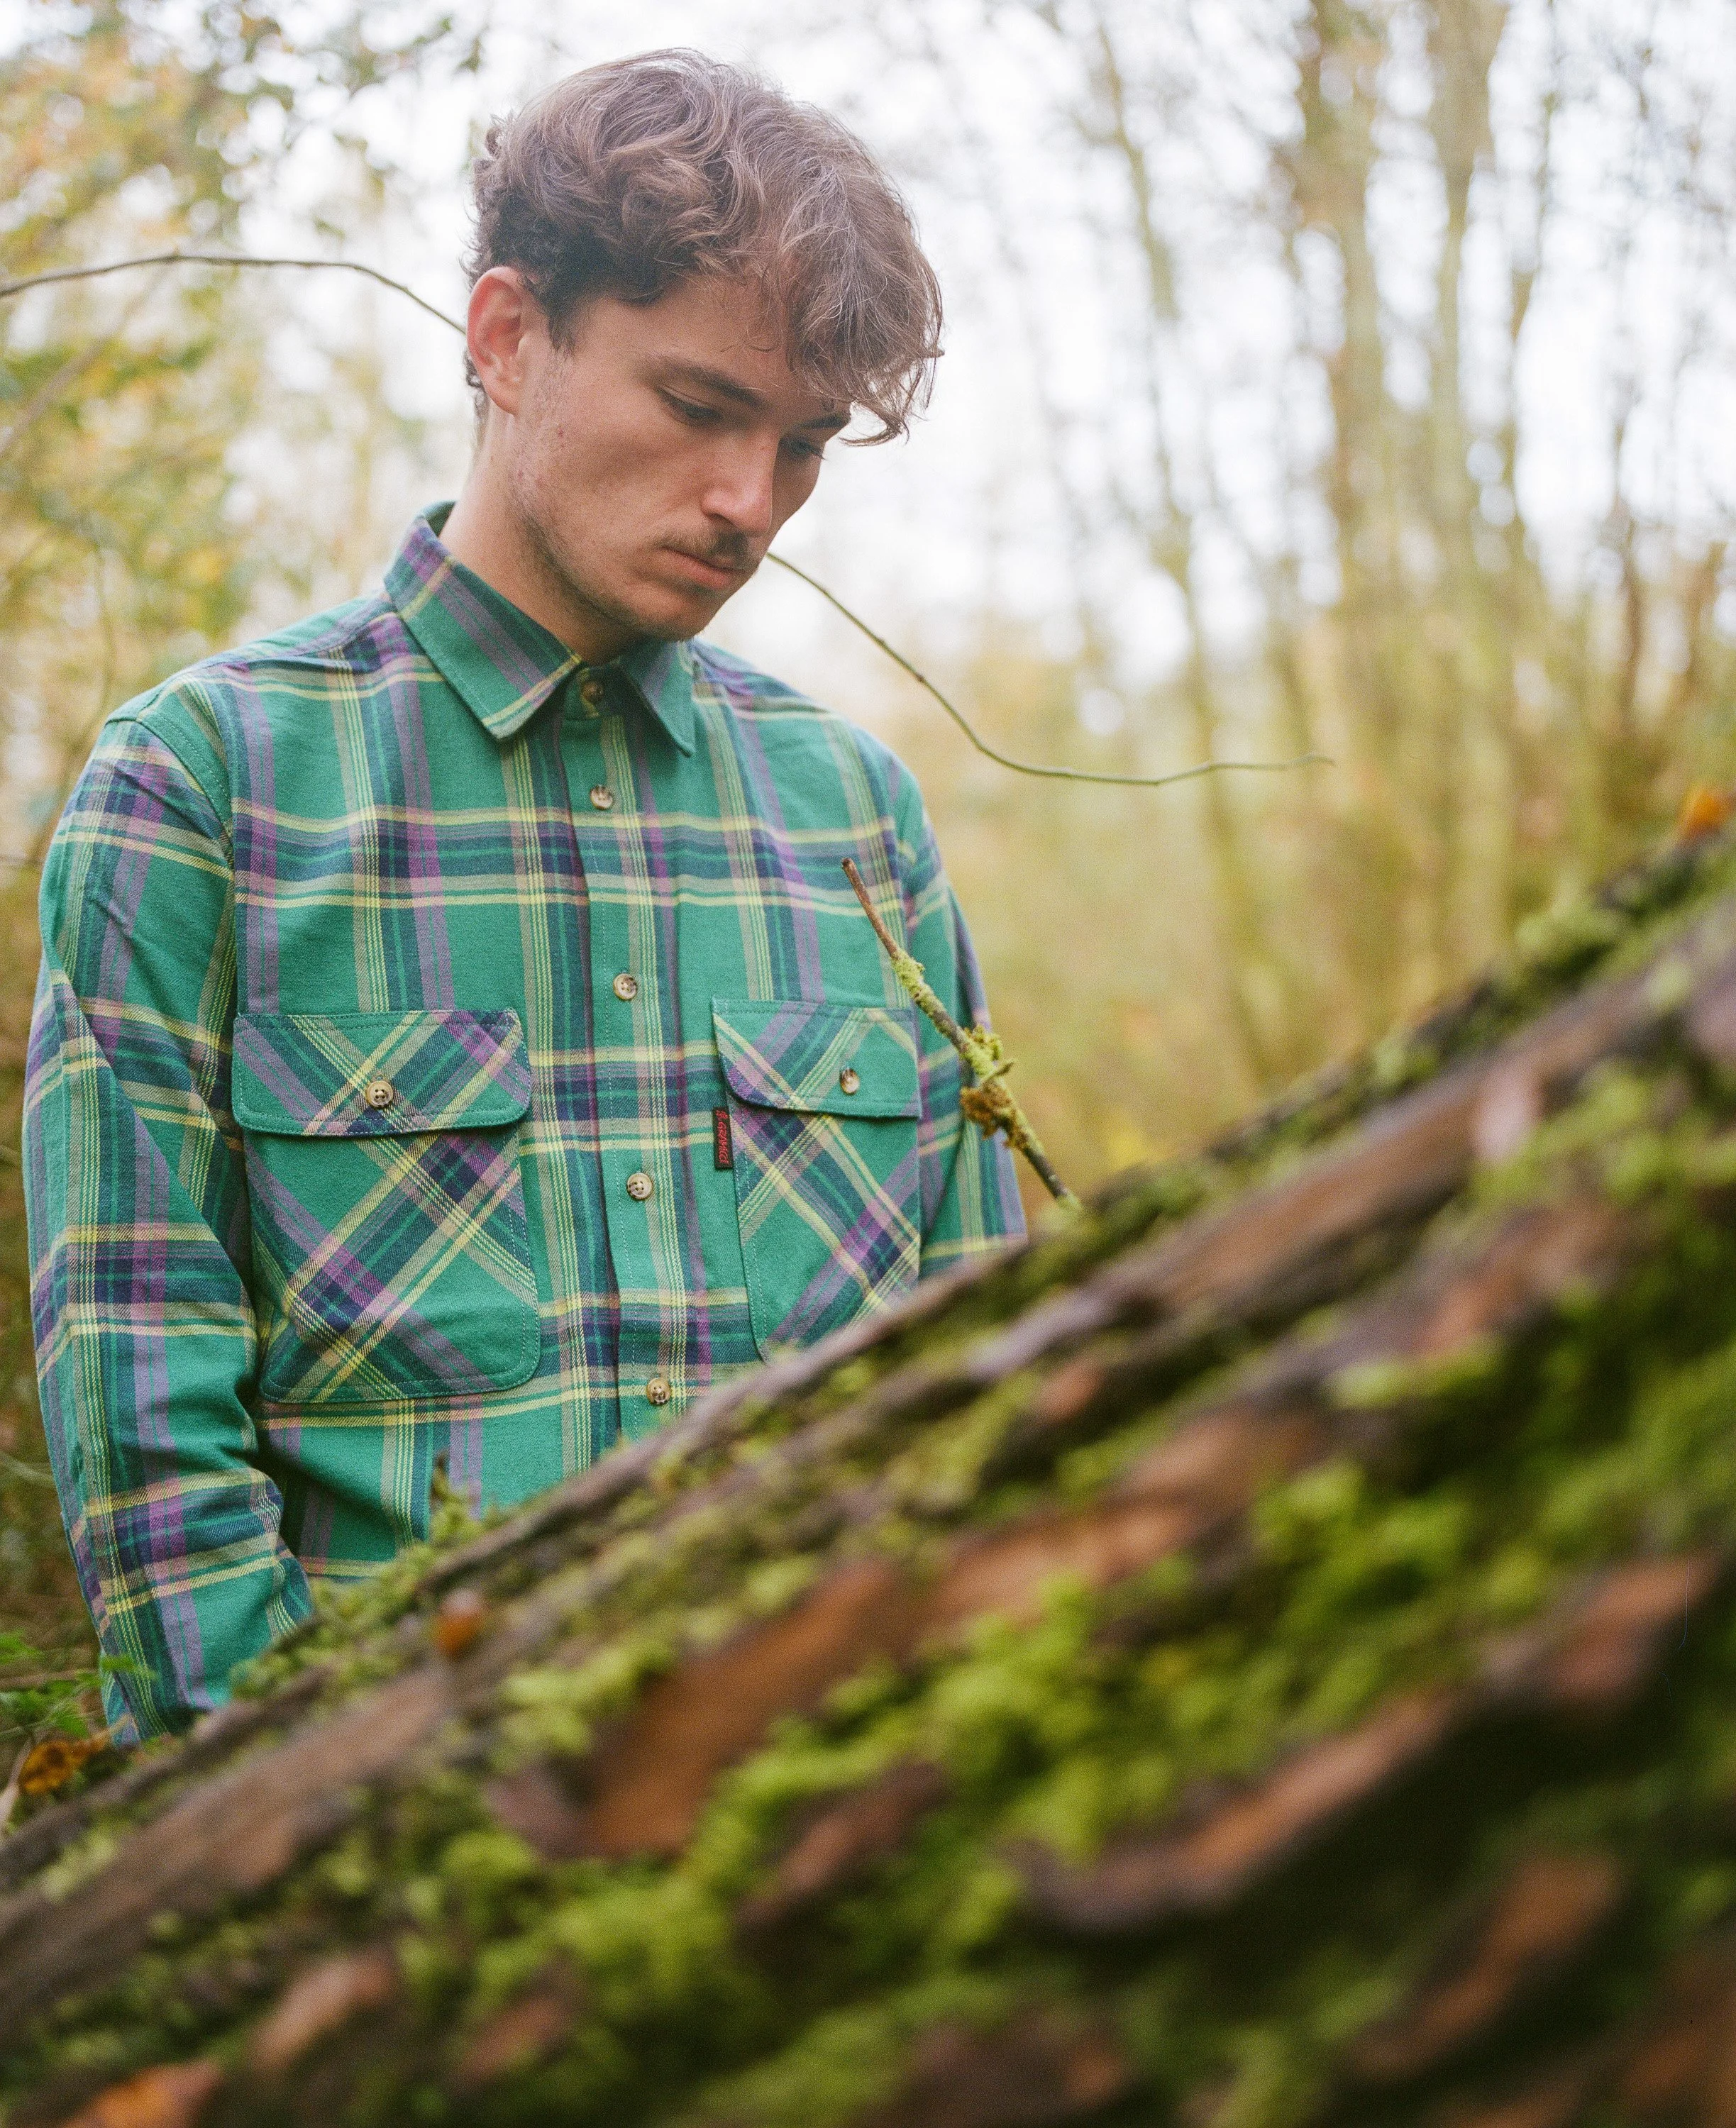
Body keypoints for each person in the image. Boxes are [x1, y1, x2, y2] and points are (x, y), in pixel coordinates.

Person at [21, 50, 1024, 1742]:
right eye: (701, 408)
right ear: (504, 337)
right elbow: (146, 1431)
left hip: (818, 1825)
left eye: (798, 445)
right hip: (366, 1868)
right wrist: (291, 1843)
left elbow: (969, 1387)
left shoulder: (858, 824)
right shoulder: (203, 793)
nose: (748, 504)